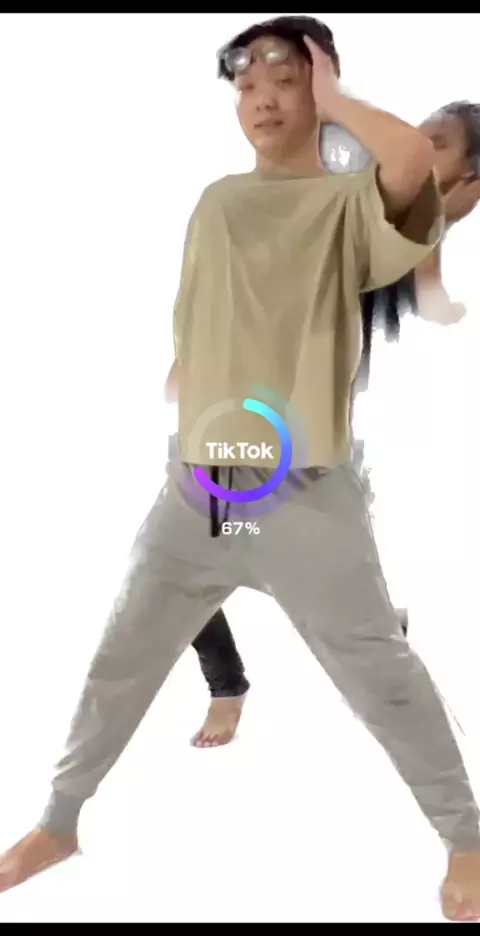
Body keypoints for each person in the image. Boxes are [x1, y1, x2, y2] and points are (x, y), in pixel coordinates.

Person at [1, 15, 479, 923]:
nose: (261, 97)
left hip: (301, 498)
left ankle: (466, 836)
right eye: (248, 82)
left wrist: (334, 97)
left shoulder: (350, 206)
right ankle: (58, 823)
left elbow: (414, 159)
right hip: (200, 490)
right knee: (120, 655)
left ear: (321, 89)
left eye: (286, 80)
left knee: (378, 674)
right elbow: (201, 316)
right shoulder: (216, 202)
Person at [177, 100, 480, 750]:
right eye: (421, 133)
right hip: (250, 400)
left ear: (470, 178)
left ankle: (354, 637)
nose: (414, 145)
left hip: (305, 427)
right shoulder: (359, 188)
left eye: (437, 143)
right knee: (192, 550)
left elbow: (426, 279)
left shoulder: (410, 219)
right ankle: (239, 678)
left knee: (228, 549)